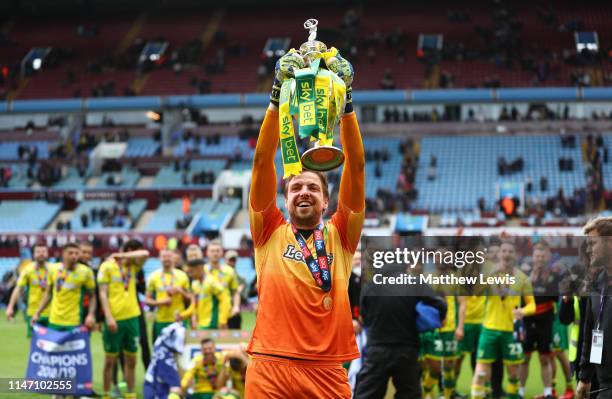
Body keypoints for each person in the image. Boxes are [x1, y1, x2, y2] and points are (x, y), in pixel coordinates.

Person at [245, 48, 364, 397]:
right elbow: (262, 160)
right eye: (295, 186)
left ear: (326, 201)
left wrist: (346, 103)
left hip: (327, 371)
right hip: (269, 365)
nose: (304, 191)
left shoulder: (342, 235)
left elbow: (356, 166)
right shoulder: (268, 229)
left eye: (313, 186)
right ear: (286, 199)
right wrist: (276, 96)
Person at [355, 263, 447, 399]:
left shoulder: (370, 286)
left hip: (377, 349)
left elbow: (364, 315)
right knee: (409, 393)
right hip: (407, 349)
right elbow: (440, 305)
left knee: (367, 393)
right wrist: (432, 319)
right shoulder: (415, 283)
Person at [471, 240, 536, 399]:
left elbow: (532, 305)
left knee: (513, 373)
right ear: (499, 254)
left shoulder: (522, 278)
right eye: (504, 251)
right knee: (480, 372)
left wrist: (523, 311)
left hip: (510, 331)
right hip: (489, 329)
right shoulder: (489, 274)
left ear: (515, 255)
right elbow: (476, 293)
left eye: (510, 251)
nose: (506, 254)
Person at [98, 239, 149, 399]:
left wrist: (121, 255)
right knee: (110, 360)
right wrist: (109, 317)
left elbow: (145, 253)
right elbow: (102, 294)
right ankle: (106, 394)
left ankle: (131, 394)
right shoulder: (107, 266)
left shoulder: (133, 266)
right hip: (115, 318)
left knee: (132, 359)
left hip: (132, 318)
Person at [576, 217, 612, 399]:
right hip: (603, 385)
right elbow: (590, 331)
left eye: (592, 243)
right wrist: (584, 376)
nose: (588, 249)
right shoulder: (597, 284)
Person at [519, 241, 560, 399]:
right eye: (537, 255)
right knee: (525, 358)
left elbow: (556, 298)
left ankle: (548, 393)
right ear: (532, 257)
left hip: (545, 322)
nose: (539, 258)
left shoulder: (553, 276)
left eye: (542, 256)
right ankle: (521, 392)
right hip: (527, 322)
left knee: (545, 358)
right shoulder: (525, 275)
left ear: (547, 257)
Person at [31, 242, 97, 331]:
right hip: (54, 320)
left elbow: (92, 296)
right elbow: (48, 294)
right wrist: (37, 313)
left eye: (76, 253)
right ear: (63, 254)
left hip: (75, 321)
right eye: (70, 253)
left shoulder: (86, 272)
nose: (74, 256)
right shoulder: (53, 269)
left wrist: (91, 315)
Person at [6, 243, 55, 337]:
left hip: (52, 313)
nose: (41, 254)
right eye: (38, 251)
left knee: (52, 344)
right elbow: (18, 288)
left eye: (44, 251)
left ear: (48, 253)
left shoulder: (54, 269)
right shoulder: (27, 270)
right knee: (34, 344)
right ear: (33, 254)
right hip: (33, 313)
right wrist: (10, 307)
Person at [145, 248, 191, 342]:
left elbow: (191, 299)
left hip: (179, 319)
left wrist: (180, 291)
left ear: (173, 258)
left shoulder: (182, 275)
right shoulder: (153, 277)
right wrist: (160, 302)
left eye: (169, 256)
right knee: (161, 351)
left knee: (180, 351)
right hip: (161, 321)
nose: (166, 259)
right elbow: (147, 300)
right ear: (159, 258)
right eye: (164, 256)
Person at [182, 257, 229, 330]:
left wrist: (222, 320)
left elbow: (225, 300)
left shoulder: (212, 282)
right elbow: (194, 305)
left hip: (212, 324)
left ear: (199, 268)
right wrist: (182, 315)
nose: (190, 275)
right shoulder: (195, 284)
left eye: (191, 271)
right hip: (201, 325)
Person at [144, 322, 185, 399]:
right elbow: (175, 388)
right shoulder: (165, 359)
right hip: (156, 389)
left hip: (150, 385)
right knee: (175, 395)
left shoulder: (160, 343)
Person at [204, 240, 237, 330]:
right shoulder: (203, 271)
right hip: (206, 315)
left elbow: (235, 292)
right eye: (212, 251)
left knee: (224, 342)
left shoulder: (229, 271)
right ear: (207, 253)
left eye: (218, 251)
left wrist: (236, 306)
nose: (215, 254)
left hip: (225, 314)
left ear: (222, 253)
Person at [223, 250, 246, 329]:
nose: (232, 262)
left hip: (235, 311)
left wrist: (239, 292)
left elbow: (245, 297)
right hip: (222, 311)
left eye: (234, 260)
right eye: (230, 260)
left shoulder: (241, 279)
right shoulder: (219, 275)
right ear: (225, 260)